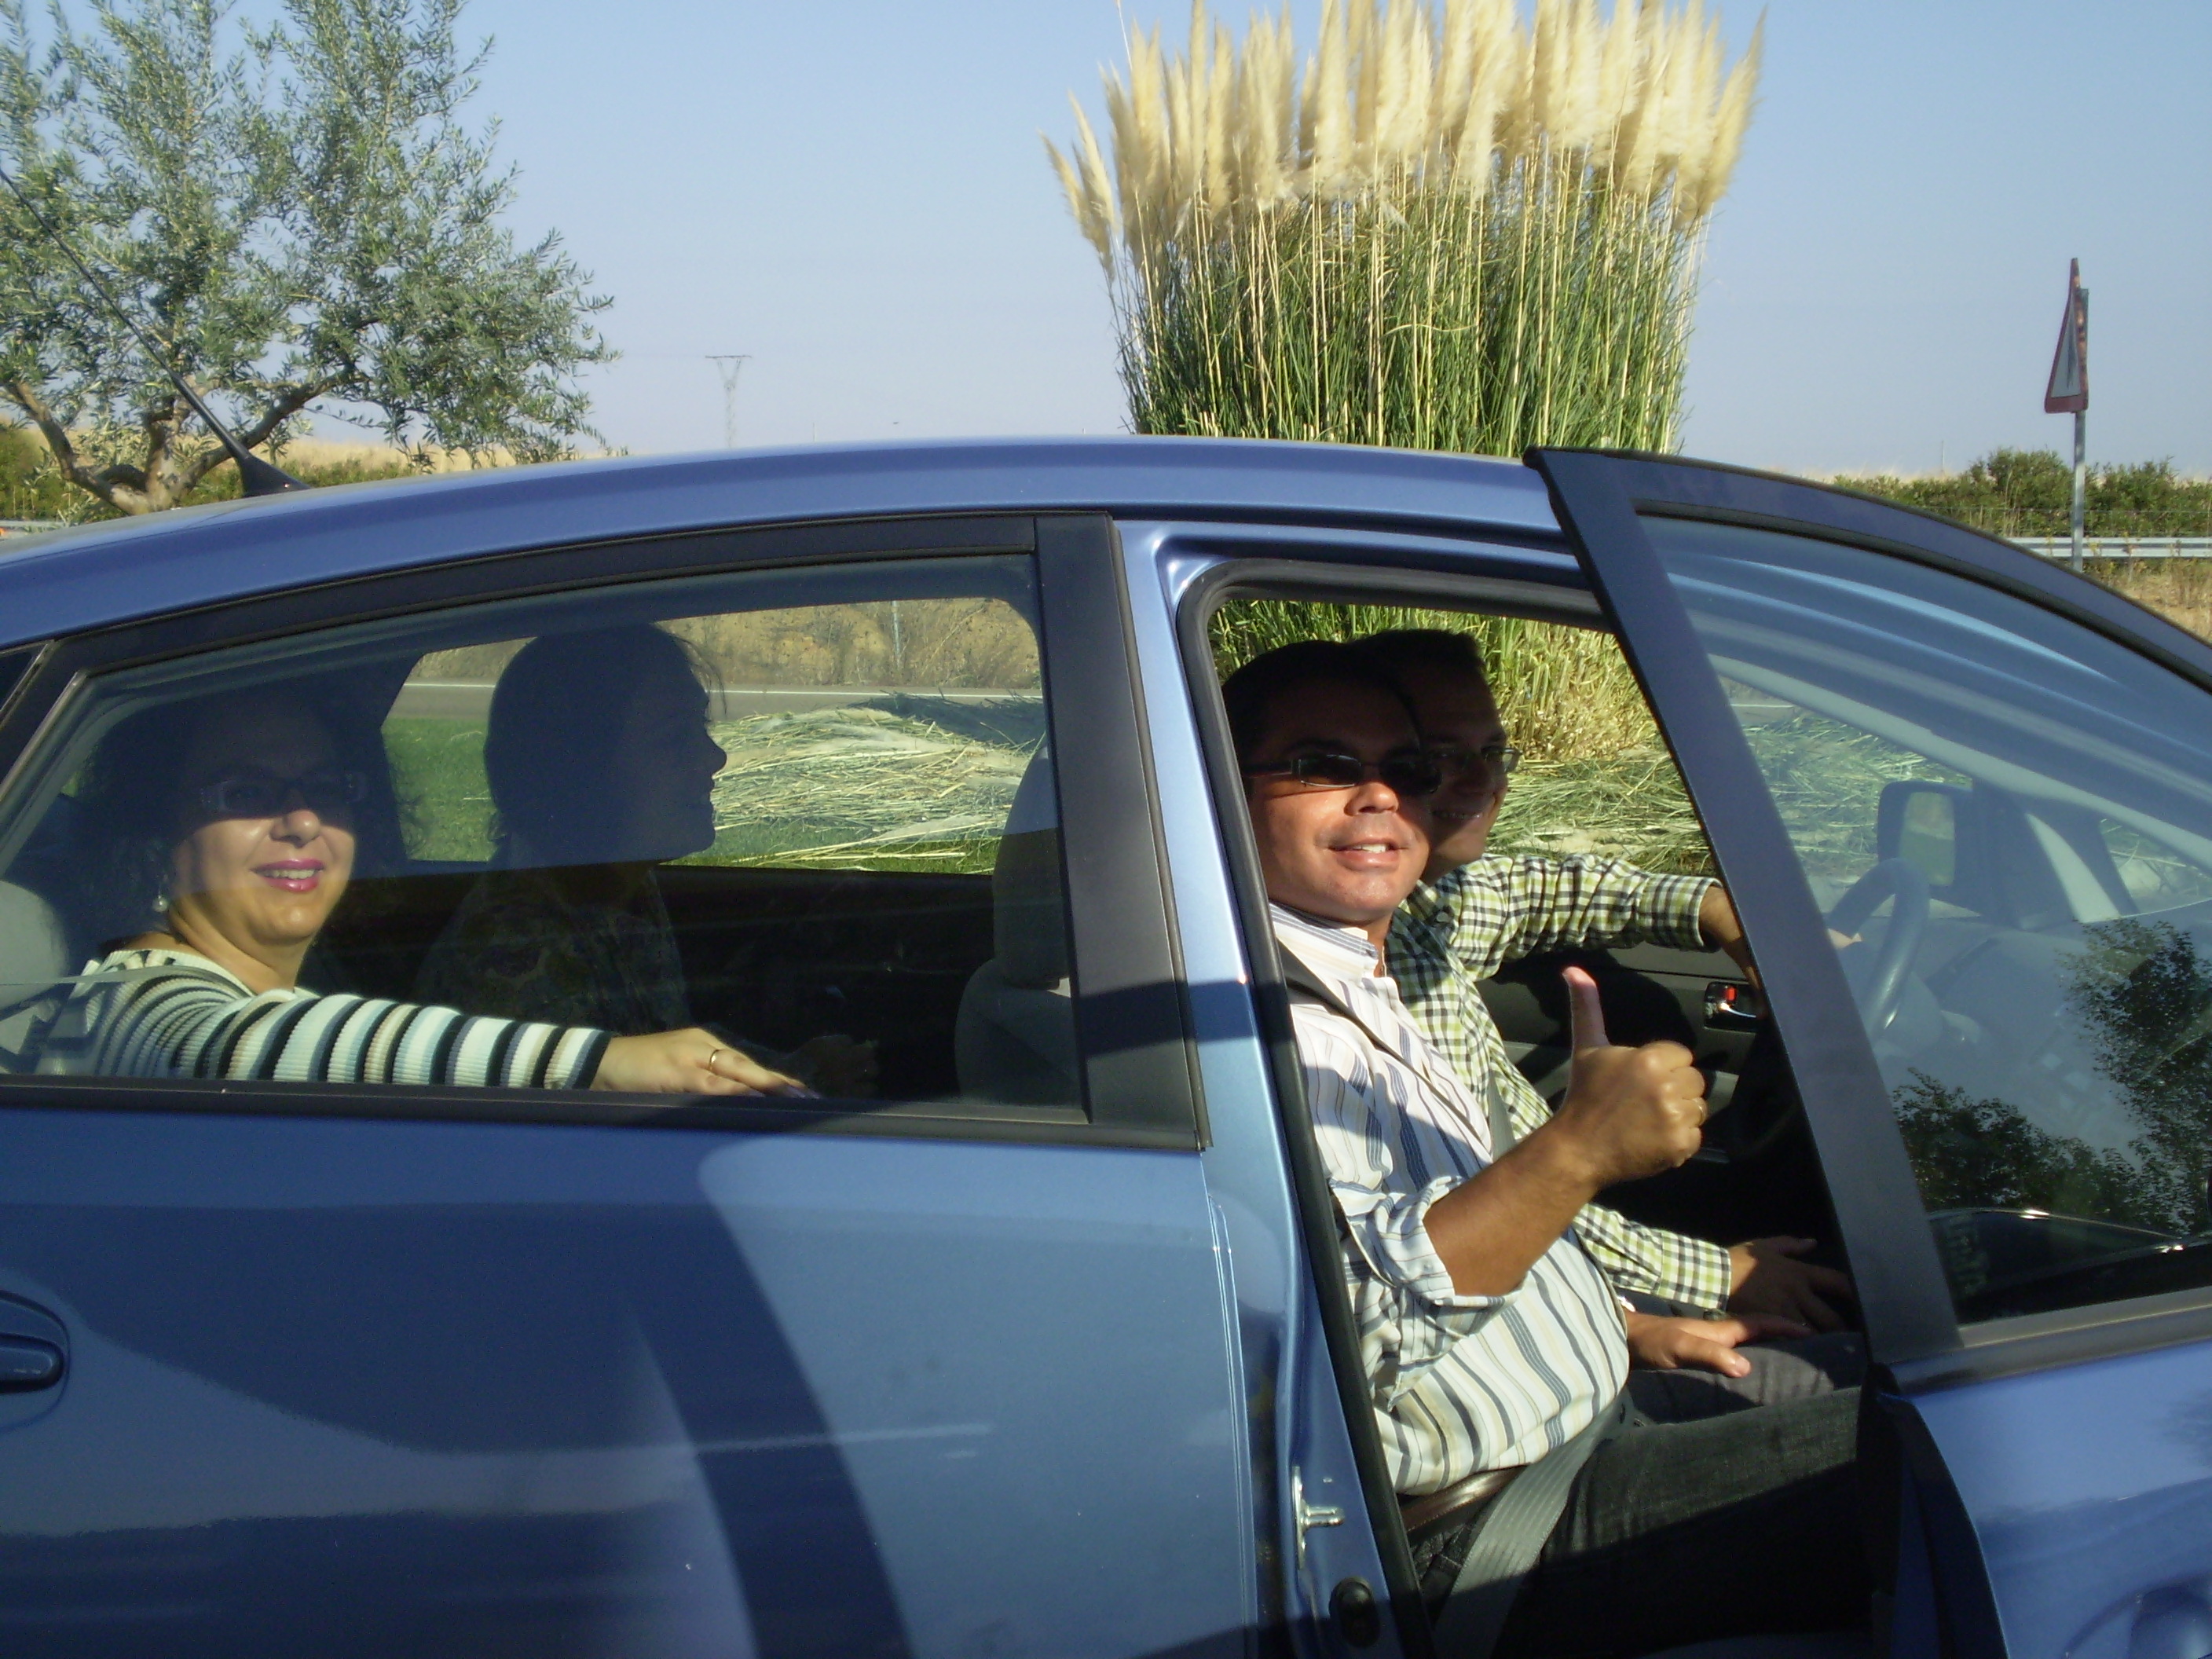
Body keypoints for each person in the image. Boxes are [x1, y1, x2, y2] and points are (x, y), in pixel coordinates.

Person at [1227, 641, 1866, 1654]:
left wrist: (1622, 1324)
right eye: (1321, 764)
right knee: (1957, 1445)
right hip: (1496, 1522)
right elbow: (1355, 1342)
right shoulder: (1271, 1034)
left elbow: (1532, 891)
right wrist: (1576, 1154)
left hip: (1592, 1395)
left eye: (1409, 768)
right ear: (1227, 788)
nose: (1385, 795)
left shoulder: (1379, 953)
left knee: (1924, 1374)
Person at [1348, 628, 1862, 1408]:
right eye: (1439, 755)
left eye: (1494, 751)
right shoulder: (1340, 998)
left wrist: (1721, 913)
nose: (1483, 780)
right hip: (1522, 1365)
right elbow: (1479, 1217)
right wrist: (1707, 1280)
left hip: (1566, 1298)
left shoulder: (1420, 911)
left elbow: (1544, 891)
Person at [46, 687, 802, 1095]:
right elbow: (225, 1050)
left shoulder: (273, 987)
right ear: (151, 834)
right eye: (245, 793)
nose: (302, 820)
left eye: (325, 789)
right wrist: (597, 1063)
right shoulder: (129, 1004)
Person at [412, 626, 875, 1094]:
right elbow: (617, 1122)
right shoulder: (522, 962)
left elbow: (658, 1038)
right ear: (583, 770)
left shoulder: (614, 887)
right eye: (675, 739)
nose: (713, 757)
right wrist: (795, 1088)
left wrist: (793, 1069)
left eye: (701, 728)